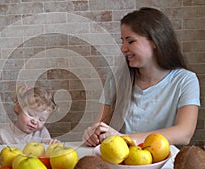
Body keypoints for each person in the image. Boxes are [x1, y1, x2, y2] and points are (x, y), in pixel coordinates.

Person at [82, 7, 200, 147]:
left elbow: (184, 134)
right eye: (123, 41)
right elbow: (100, 125)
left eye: (130, 41)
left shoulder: (186, 80)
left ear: (155, 42)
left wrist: (126, 138)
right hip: (120, 162)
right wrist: (92, 133)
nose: (123, 48)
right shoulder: (117, 78)